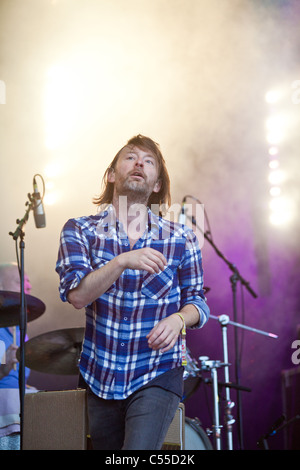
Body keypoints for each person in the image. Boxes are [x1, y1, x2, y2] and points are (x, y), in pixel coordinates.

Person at [56, 134, 210, 450]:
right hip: (100, 376)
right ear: (112, 175)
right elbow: (77, 295)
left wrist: (179, 320)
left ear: (156, 184)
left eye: (148, 161)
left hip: (157, 372)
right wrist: (123, 261)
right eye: (131, 157)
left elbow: (197, 301)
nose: (139, 163)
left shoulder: (181, 237)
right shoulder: (80, 230)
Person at [0, 262, 32, 450]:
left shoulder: (21, 331)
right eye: (20, 281)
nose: (27, 286)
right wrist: (3, 370)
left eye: (28, 282)